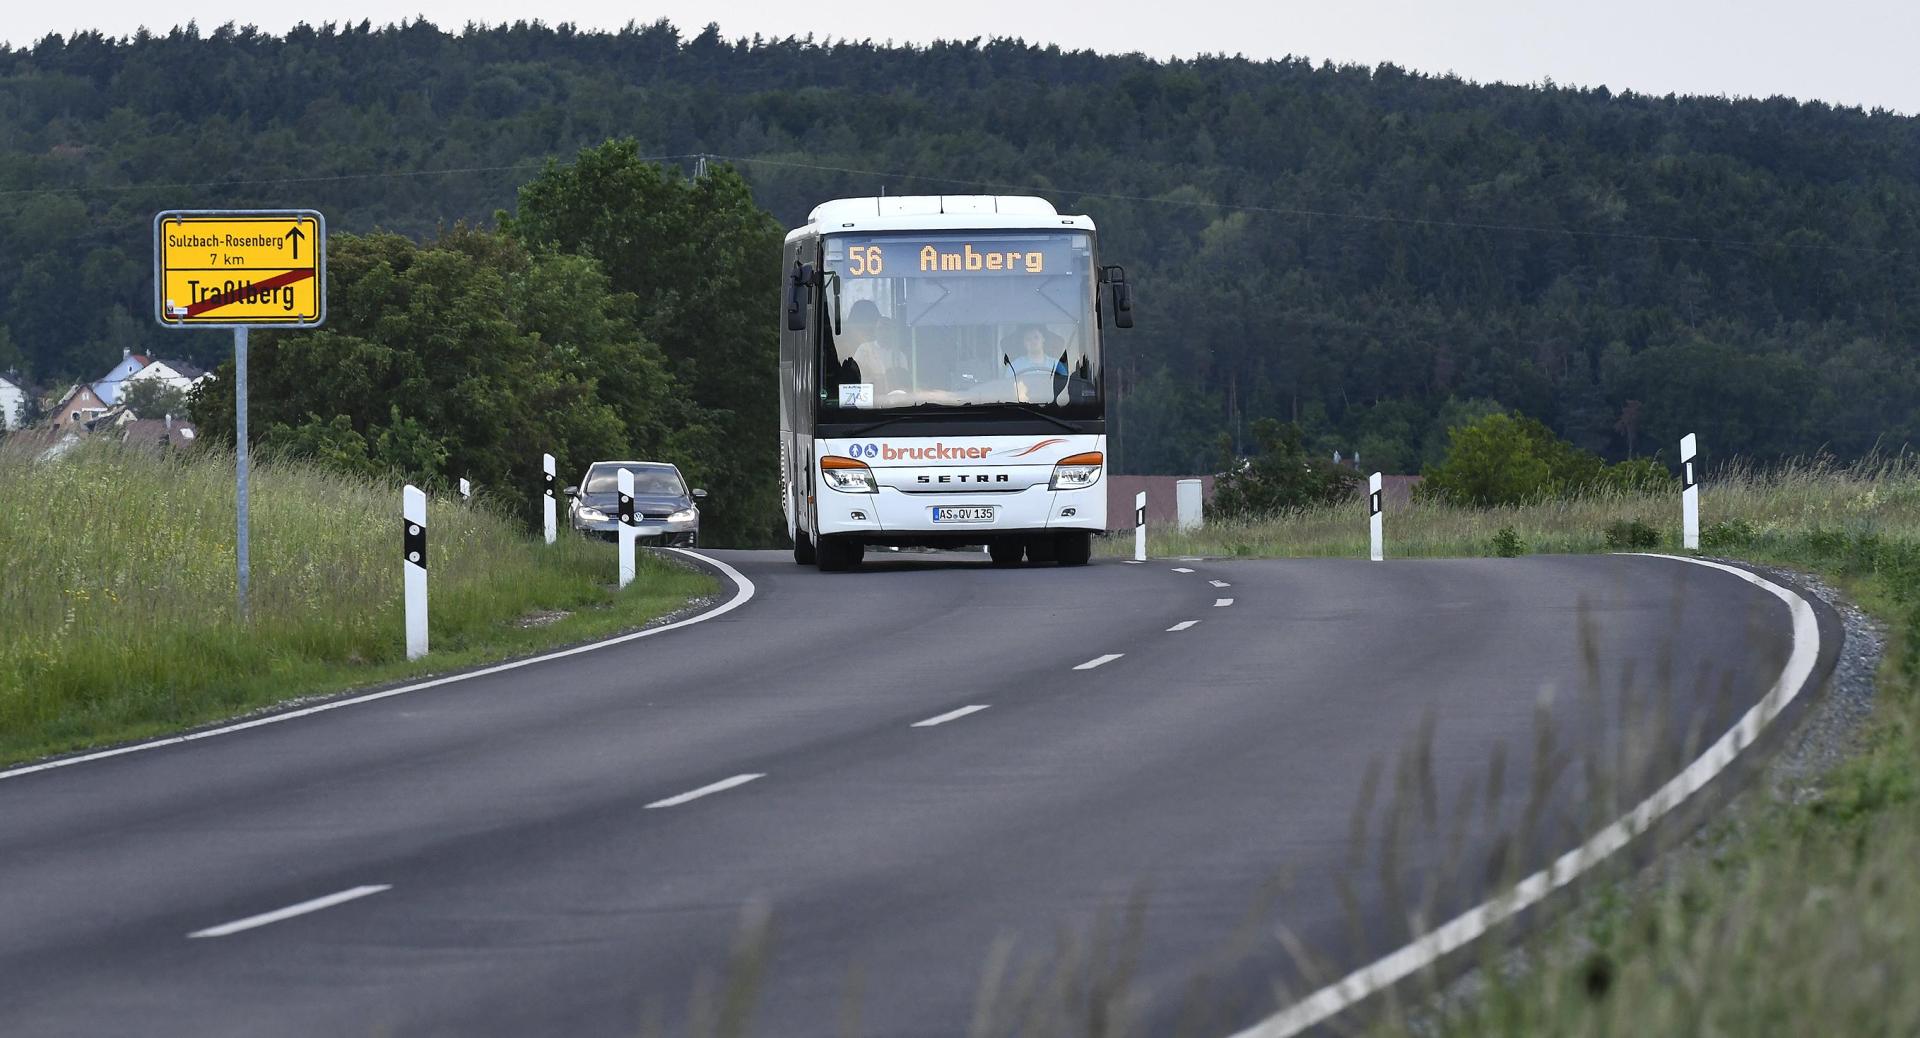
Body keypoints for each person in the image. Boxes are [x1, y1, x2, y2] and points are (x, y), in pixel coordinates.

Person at [842, 299, 909, 398]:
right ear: (875, 331)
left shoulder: (899, 355)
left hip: (893, 399)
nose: (884, 332)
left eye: (887, 329)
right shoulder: (864, 349)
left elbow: (903, 383)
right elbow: (855, 377)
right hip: (867, 397)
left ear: (892, 332)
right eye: (880, 328)